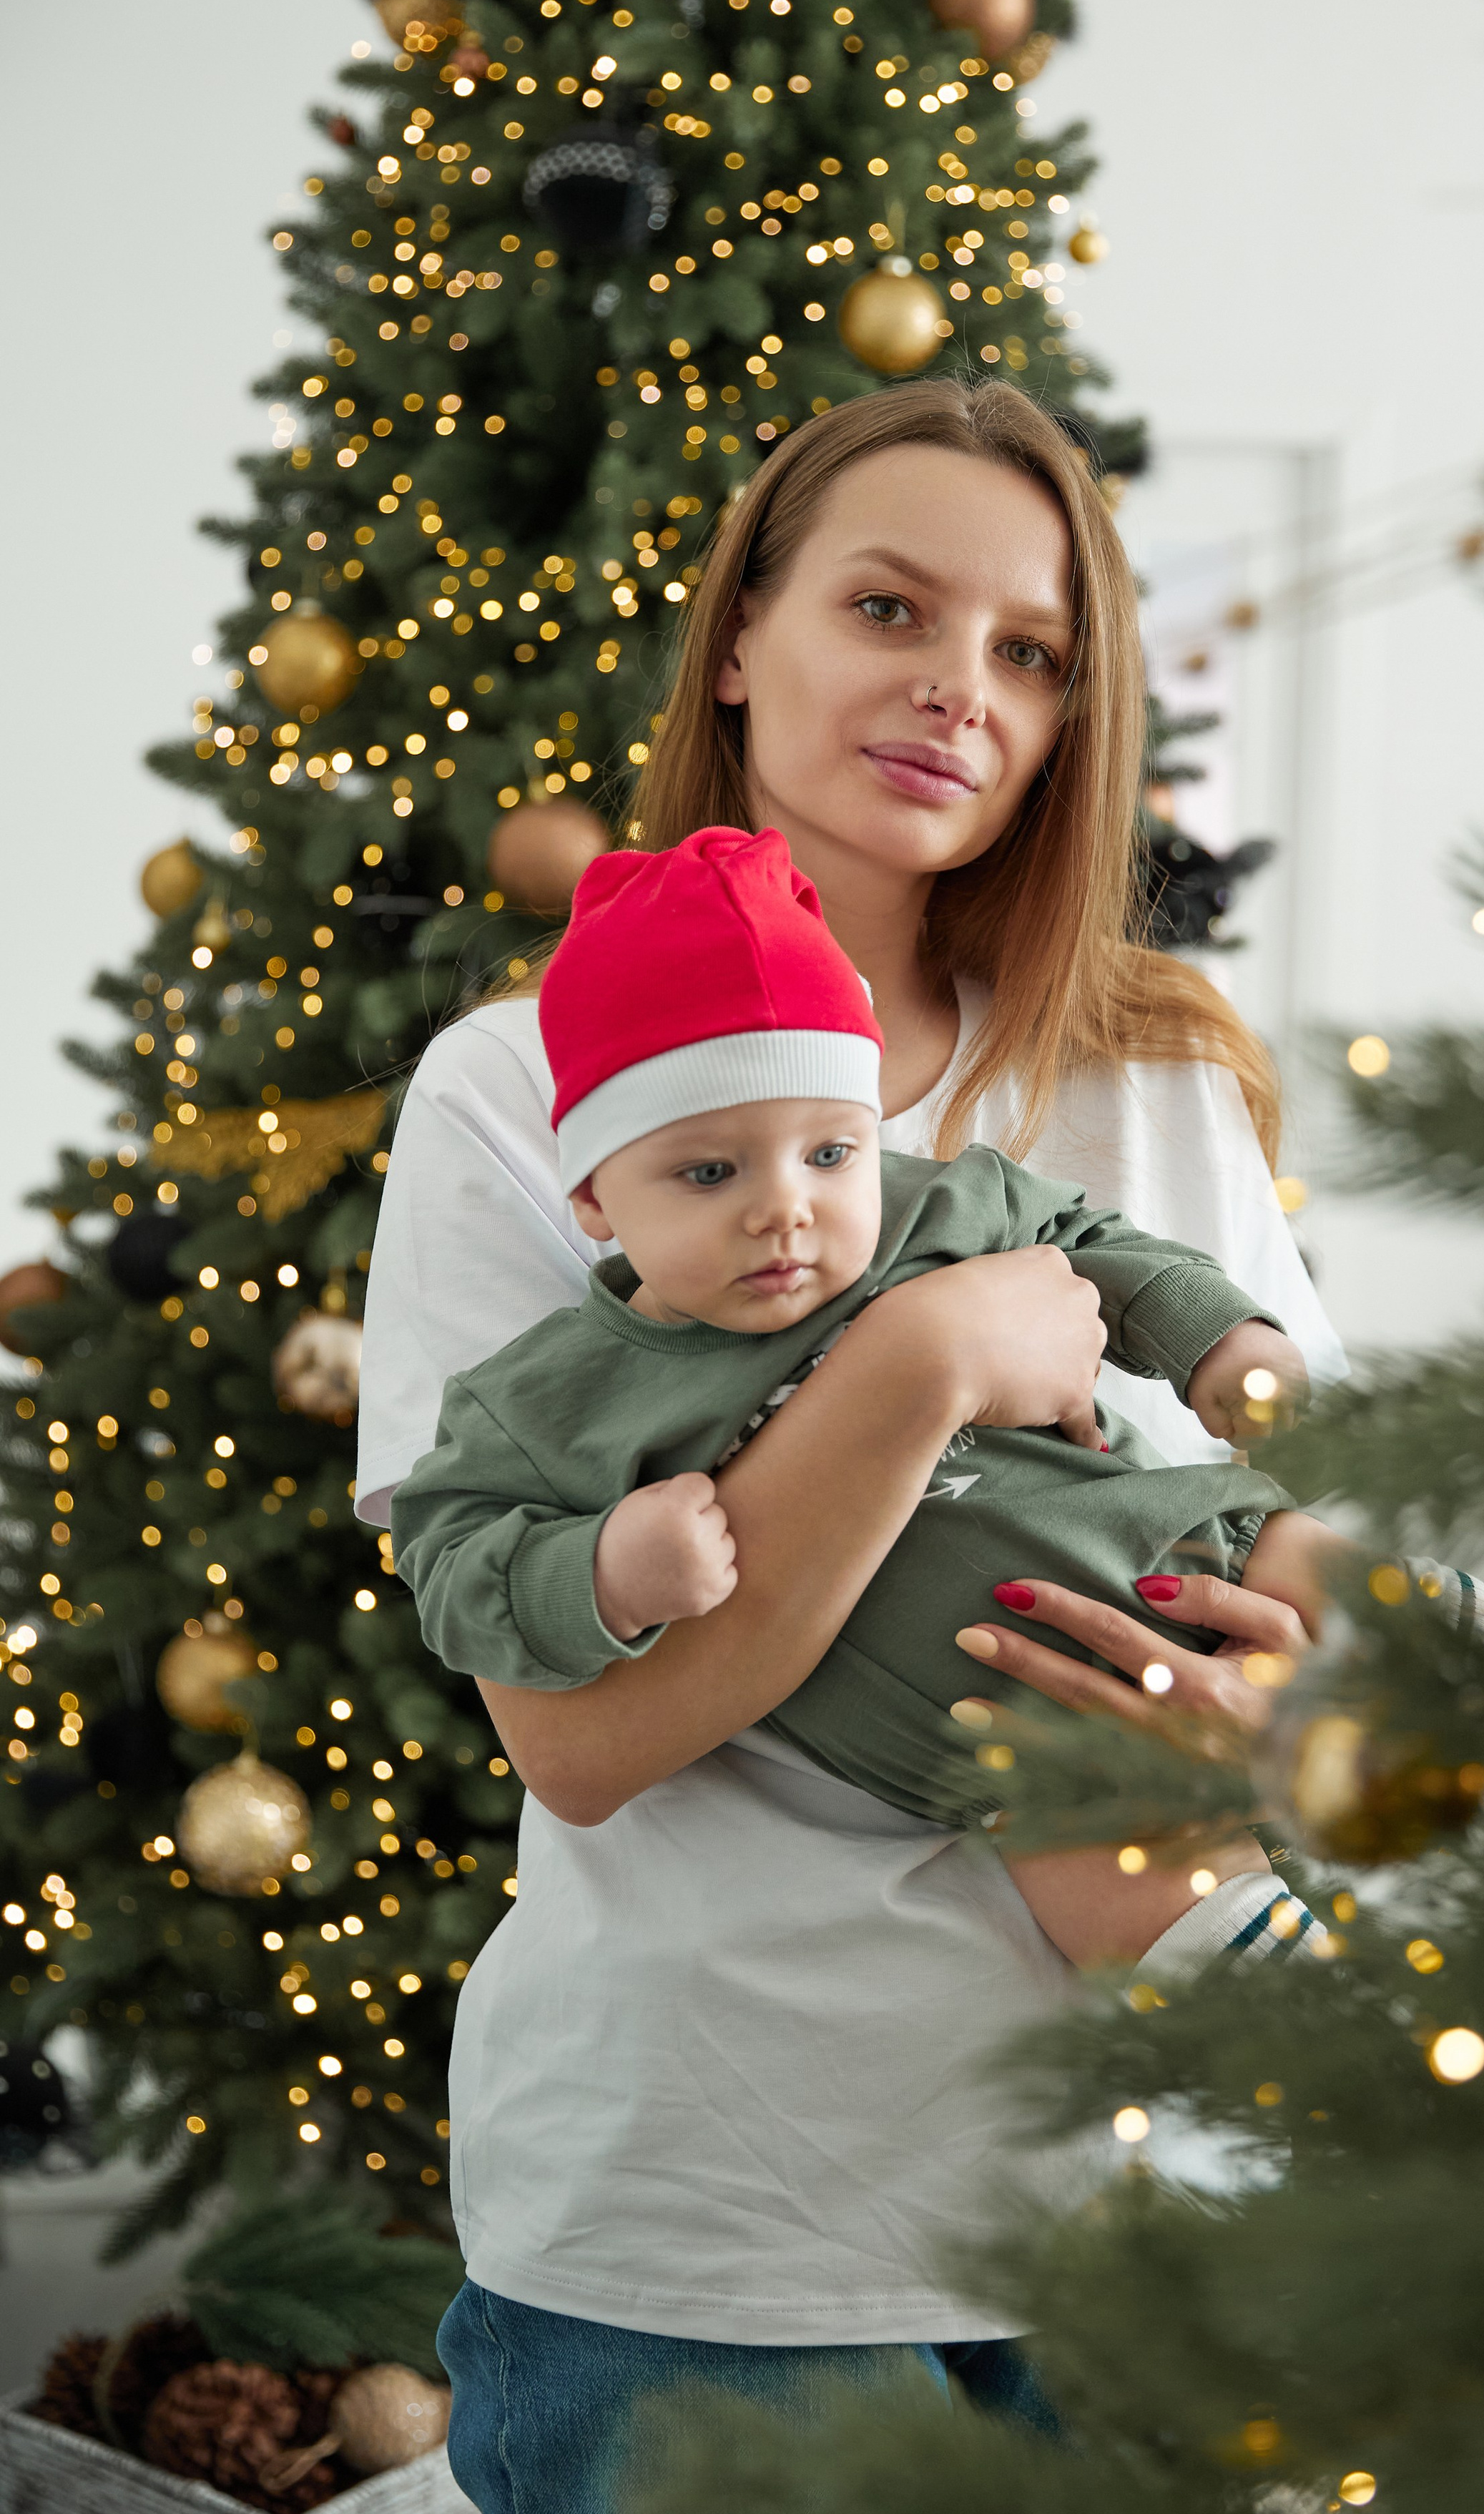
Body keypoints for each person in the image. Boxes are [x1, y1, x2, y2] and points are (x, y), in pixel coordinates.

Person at [355, 380, 1347, 2514]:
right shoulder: (527, 1097)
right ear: (739, 637)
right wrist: (917, 1360)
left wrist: (1277, 1714)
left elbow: (1322, 1525)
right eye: (889, 607)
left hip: (1130, 2223)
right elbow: (583, 1738)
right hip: (715, 2236)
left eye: (1031, 651)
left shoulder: (1152, 1082)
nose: (959, 688)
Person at [391, 823, 1337, 1954]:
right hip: (1004, 1734)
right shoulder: (550, 1399)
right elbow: (454, 1560)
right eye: (710, 1171)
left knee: (1329, 1572)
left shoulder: (933, 1208)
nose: (784, 1209)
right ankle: (1273, 2007)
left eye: (830, 1154)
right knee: (1115, 1875)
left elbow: (1097, 1244)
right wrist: (601, 1575)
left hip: (1186, 1557)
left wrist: (1221, 1340)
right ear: (593, 1196)